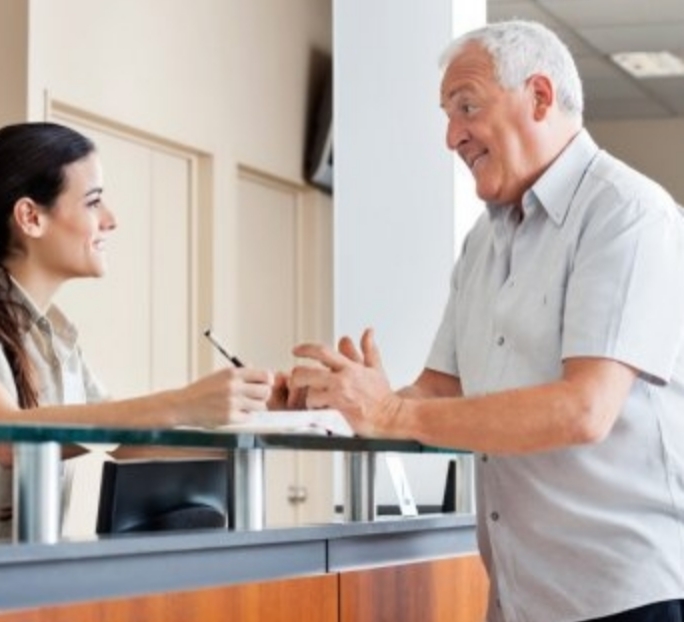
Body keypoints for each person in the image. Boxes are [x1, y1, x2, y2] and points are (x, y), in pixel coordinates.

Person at [290, 20, 684, 622]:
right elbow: (437, 391)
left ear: (540, 97)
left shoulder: (627, 215)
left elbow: (585, 409)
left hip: (624, 596)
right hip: (519, 595)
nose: (452, 136)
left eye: (467, 107)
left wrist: (392, 413)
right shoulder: (484, 241)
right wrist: (344, 401)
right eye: (447, 115)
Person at [0, 122, 278, 541]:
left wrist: (259, 422)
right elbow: (7, 438)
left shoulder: (56, 338)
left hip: (10, 579)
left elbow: (123, 440)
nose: (111, 220)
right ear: (30, 217)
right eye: (93, 202)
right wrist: (183, 403)